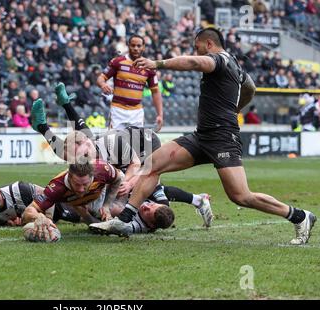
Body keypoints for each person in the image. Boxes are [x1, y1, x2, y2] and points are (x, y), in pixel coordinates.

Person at [114, 28, 316, 245]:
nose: (196, 51)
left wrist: (158, 64)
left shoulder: (217, 59)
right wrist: (235, 109)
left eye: (197, 47)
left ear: (209, 44)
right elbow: (251, 88)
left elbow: (194, 63)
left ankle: (300, 216)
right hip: (202, 136)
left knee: (241, 196)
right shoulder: (236, 67)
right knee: (152, 165)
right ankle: (124, 219)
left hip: (222, 137)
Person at [31, 83, 213, 227]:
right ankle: (46, 123)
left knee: (88, 151)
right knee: (80, 156)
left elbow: (145, 173)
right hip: (133, 145)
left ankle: (60, 110)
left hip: (139, 145)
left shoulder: (117, 151)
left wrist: (127, 184)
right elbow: (139, 168)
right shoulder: (114, 149)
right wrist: (129, 182)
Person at [24, 161, 125, 226]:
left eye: (85, 184)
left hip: (107, 188)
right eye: (77, 184)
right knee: (102, 217)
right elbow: (27, 212)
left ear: (92, 176)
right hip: (86, 202)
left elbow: (118, 179)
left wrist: (106, 206)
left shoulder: (103, 169)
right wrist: (39, 217)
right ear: (69, 177)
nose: (81, 189)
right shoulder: (56, 187)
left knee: (120, 209)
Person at [96, 35, 163, 131]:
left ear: (143, 47)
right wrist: (103, 84)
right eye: (133, 45)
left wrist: (160, 114)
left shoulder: (149, 67)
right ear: (128, 46)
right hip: (118, 110)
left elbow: (156, 91)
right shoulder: (118, 62)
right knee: (115, 143)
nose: (136, 48)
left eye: (139, 46)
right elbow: (101, 78)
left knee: (136, 144)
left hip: (137, 112)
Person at [0, 178, 80, 226]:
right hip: (33, 215)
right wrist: (7, 222)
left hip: (55, 205)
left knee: (79, 217)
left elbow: (48, 195)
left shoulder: (19, 189)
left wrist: (47, 220)